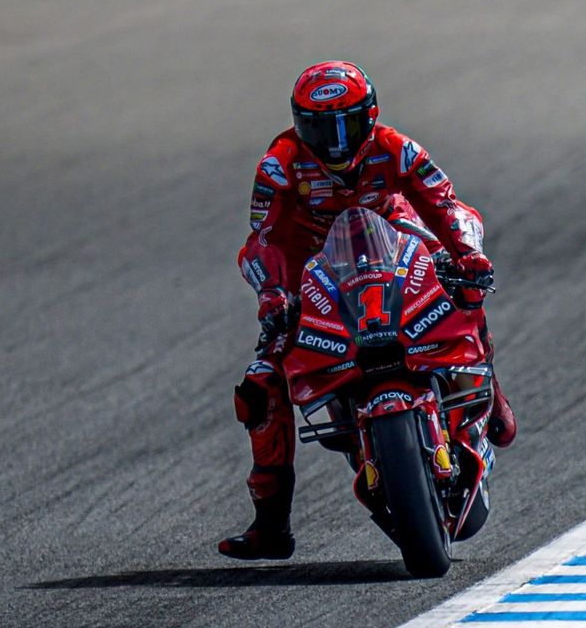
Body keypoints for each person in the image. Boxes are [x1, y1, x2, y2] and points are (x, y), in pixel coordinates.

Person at [221, 60, 516, 560]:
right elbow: (263, 239)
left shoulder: (396, 147)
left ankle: (494, 396)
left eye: (348, 124)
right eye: (321, 128)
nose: (335, 143)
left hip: (393, 236)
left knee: (463, 285)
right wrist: (273, 294)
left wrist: (468, 255)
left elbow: (444, 202)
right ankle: (271, 525)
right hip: (311, 261)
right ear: (299, 125)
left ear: (371, 116)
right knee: (261, 383)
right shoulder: (279, 164)